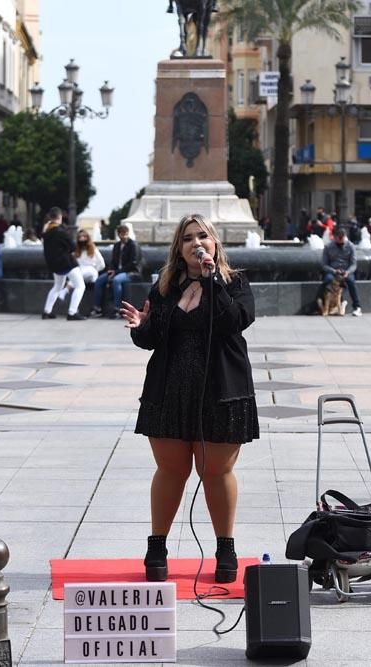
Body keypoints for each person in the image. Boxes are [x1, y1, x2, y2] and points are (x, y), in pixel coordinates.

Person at [121, 214, 259, 583]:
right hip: (169, 391)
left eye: (203, 237)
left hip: (222, 392)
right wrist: (141, 327)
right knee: (172, 470)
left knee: (216, 471)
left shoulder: (235, 282)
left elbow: (235, 321)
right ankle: (156, 548)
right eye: (188, 239)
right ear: (178, 250)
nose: (197, 243)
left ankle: (225, 549)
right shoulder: (165, 287)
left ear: (215, 244)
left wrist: (213, 281)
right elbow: (149, 337)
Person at [42, 207, 86, 320]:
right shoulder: (61, 231)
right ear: (60, 217)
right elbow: (72, 247)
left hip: (54, 265)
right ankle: (72, 312)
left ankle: (47, 312)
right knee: (80, 286)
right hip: (67, 263)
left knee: (57, 286)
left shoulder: (46, 231)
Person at [94, 224, 140, 318]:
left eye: (126, 234)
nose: (124, 236)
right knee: (99, 280)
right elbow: (113, 261)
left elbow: (133, 264)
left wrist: (116, 272)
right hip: (117, 271)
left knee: (116, 280)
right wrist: (111, 270)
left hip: (131, 273)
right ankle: (97, 308)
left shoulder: (133, 245)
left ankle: (117, 309)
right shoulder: (117, 245)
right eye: (122, 234)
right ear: (118, 234)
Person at [315, 228, 361, 317]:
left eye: (342, 241)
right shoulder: (328, 247)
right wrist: (333, 270)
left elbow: (354, 264)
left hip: (345, 271)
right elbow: (324, 264)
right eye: (338, 241)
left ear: (345, 237)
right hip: (333, 271)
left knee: (351, 281)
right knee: (327, 280)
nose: (340, 243)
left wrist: (347, 272)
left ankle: (357, 307)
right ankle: (320, 302)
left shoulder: (351, 246)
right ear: (334, 238)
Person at [74, 228, 106, 293]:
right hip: (81, 272)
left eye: (84, 236)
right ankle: (67, 289)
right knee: (78, 282)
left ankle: (67, 288)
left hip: (91, 273)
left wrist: (95, 269)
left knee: (78, 276)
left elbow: (102, 264)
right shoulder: (76, 251)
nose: (82, 239)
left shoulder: (93, 249)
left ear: (87, 238)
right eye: (80, 237)